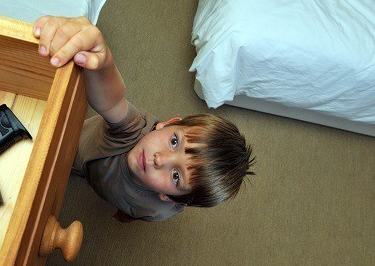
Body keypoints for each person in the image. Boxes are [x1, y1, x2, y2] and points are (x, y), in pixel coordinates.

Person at [33, 16, 255, 222]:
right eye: (175, 142)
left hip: (105, 183)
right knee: (65, 159)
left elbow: (142, 213)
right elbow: (112, 102)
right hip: (77, 143)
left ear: (170, 198)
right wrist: (103, 62)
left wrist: (128, 214)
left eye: (176, 176)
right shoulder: (134, 129)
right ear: (168, 123)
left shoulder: (159, 210)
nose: (160, 159)